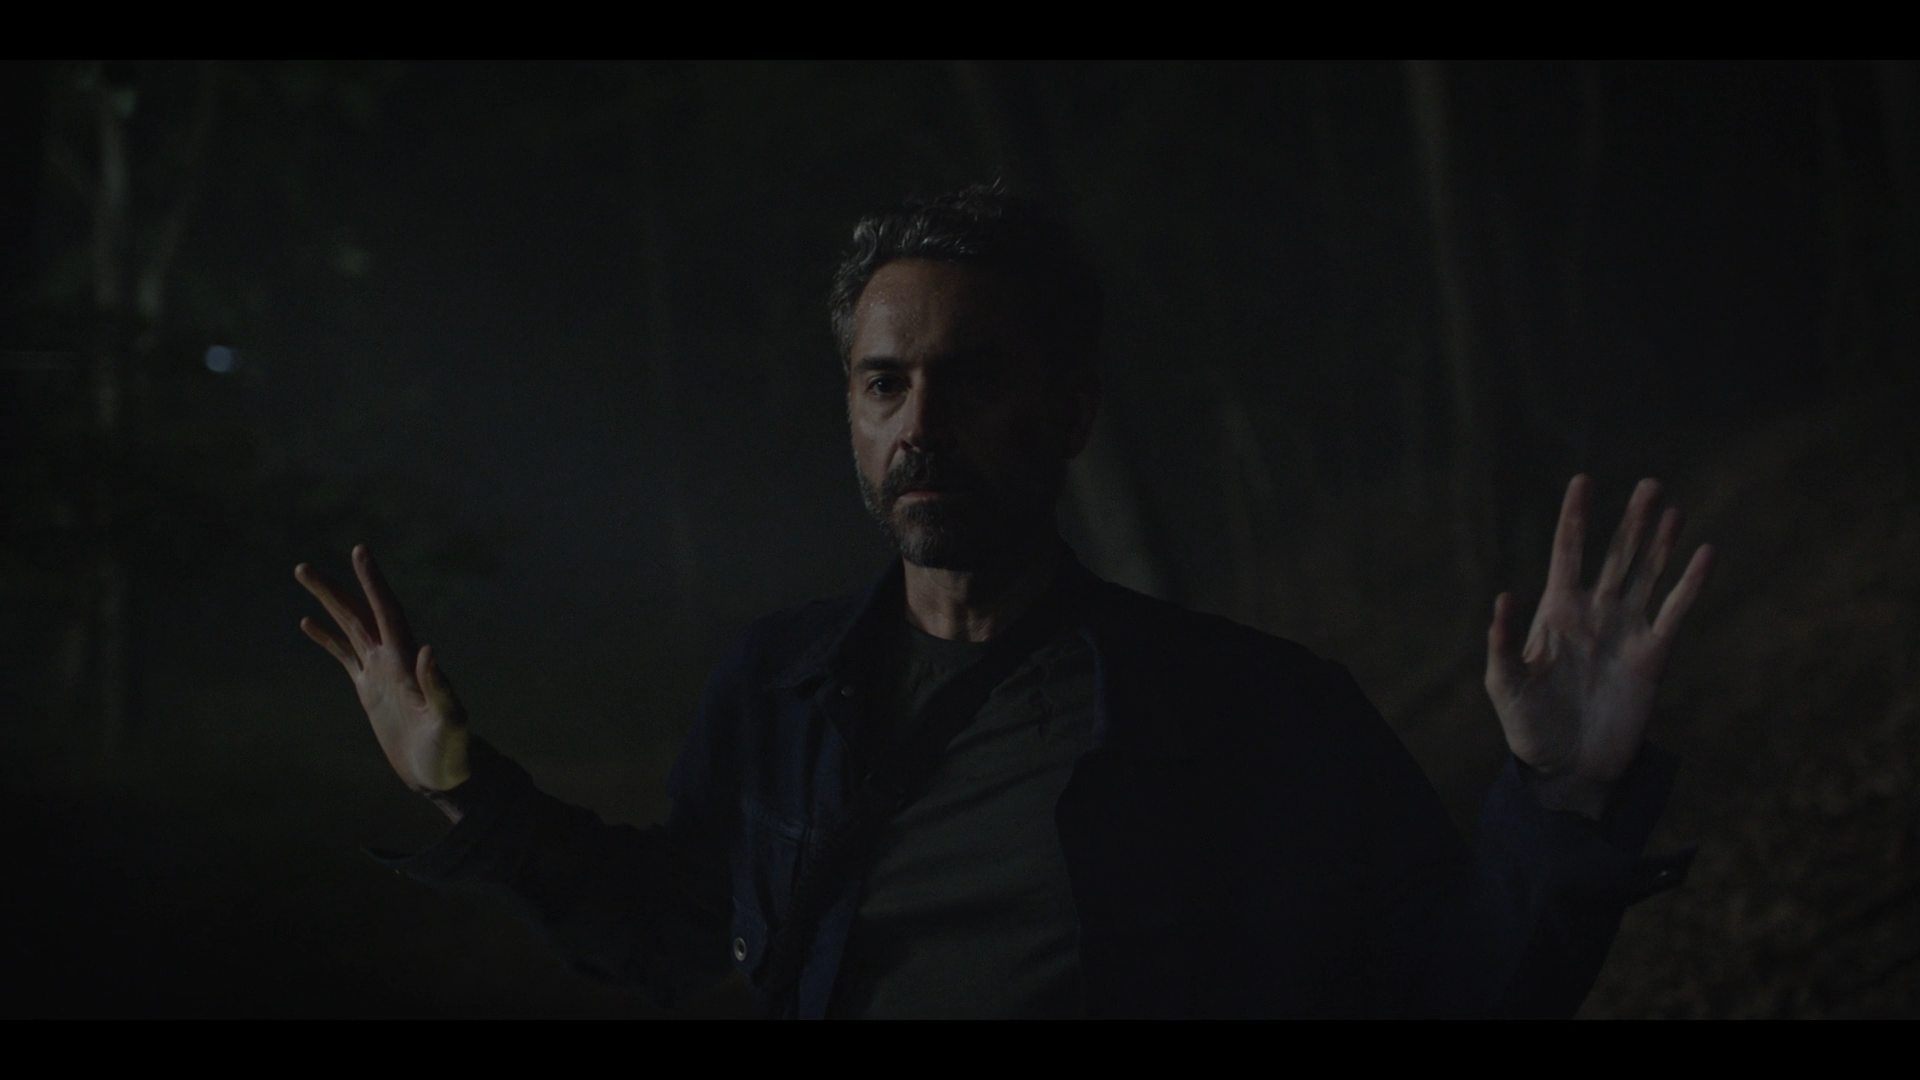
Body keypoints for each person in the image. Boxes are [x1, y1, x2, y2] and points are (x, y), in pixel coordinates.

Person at [295, 186, 1713, 1018]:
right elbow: (676, 936)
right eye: (883, 384)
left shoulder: (1255, 711)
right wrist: (466, 791)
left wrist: (1561, 795)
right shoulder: (778, 687)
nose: (919, 424)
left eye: (968, 378)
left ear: (1072, 408)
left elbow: (1453, 990)